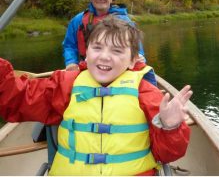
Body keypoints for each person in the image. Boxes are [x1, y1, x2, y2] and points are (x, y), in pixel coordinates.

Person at [0, 16, 192, 176]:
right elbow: (16, 98)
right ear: (87, 52)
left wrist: (170, 127)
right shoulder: (65, 84)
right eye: (97, 47)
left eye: (117, 51)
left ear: (133, 61)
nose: (104, 56)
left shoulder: (146, 92)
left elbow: (168, 154)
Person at [63, 0, 145, 72]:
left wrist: (140, 57)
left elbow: (137, 49)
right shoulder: (77, 20)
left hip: (115, 69)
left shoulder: (125, 21)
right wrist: (71, 62)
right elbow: (69, 45)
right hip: (85, 69)